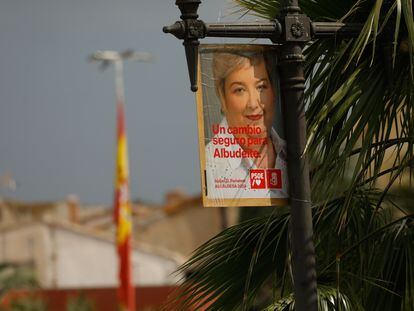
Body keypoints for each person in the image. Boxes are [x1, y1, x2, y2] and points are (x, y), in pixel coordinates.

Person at [204, 50, 288, 201]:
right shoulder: (210, 165)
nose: (253, 104)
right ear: (222, 98)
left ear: (274, 91)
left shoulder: (295, 154)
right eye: (240, 90)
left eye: (261, 87)